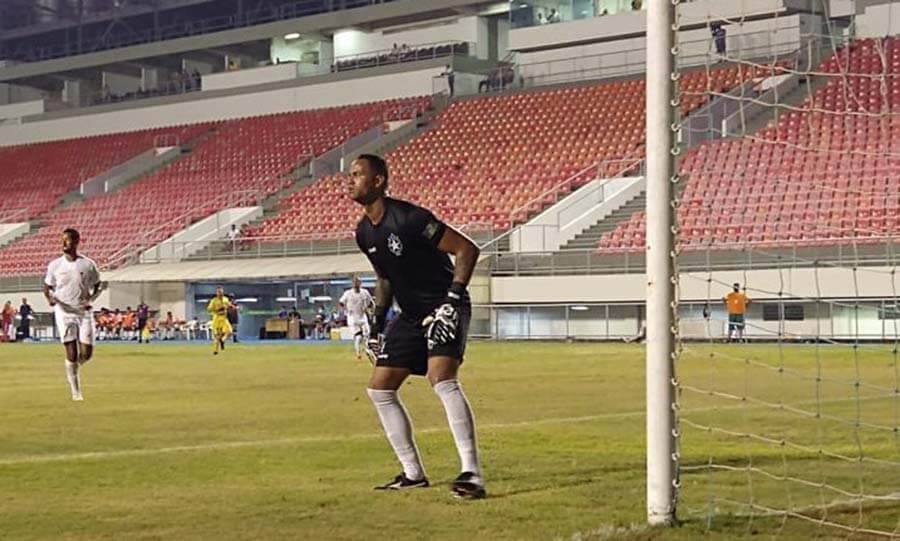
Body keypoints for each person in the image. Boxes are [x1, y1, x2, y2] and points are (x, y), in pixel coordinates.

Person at [349, 154, 485, 499]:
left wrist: (452, 302)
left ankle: (471, 473)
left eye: (357, 175)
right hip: (409, 315)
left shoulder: (409, 218)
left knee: (441, 379)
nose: (350, 181)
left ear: (378, 181)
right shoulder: (363, 232)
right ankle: (413, 473)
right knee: (379, 388)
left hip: (443, 306)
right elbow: (384, 279)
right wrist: (377, 326)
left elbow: (467, 249)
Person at [43, 228, 103, 401]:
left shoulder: (87, 264)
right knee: (71, 352)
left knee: (87, 353)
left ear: (76, 242)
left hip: (83, 312)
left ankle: (73, 368)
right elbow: (47, 287)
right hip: (63, 312)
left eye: (67, 240)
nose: (63, 244)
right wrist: (50, 299)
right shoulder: (55, 265)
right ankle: (76, 392)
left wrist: (91, 298)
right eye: (62, 240)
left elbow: (98, 284)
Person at [340, 276, 375, 361]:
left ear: (360, 283)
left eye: (358, 282)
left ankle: (367, 350)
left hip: (362, 316)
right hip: (352, 318)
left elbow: (370, 302)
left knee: (367, 335)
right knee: (358, 336)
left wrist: (371, 311)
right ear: (352, 284)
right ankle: (358, 353)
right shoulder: (348, 293)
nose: (356, 284)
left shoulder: (365, 292)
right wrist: (345, 310)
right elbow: (341, 302)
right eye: (355, 282)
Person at [206, 287, 232, 355]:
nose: (220, 293)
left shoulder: (225, 299)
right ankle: (216, 350)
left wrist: (233, 307)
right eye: (219, 292)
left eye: (221, 292)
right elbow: (209, 309)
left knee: (229, 331)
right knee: (217, 335)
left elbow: (229, 305)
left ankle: (222, 340)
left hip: (224, 318)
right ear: (216, 293)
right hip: (217, 319)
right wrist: (216, 309)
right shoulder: (214, 300)